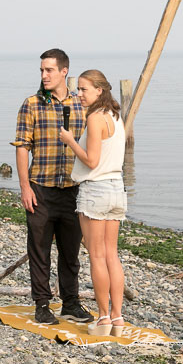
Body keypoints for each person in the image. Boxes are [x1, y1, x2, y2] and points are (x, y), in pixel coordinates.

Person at [12, 49, 93, 325]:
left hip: (73, 190)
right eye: (41, 71)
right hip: (41, 188)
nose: (44, 75)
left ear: (64, 72)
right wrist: (25, 187)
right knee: (39, 249)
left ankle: (71, 303)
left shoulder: (82, 104)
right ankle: (42, 304)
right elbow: (23, 147)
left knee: (71, 252)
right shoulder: (32, 104)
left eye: (49, 70)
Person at [58, 69, 128, 336]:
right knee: (112, 254)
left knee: (97, 255)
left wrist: (70, 141)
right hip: (116, 188)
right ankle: (117, 317)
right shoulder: (115, 116)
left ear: (99, 90)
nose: (79, 94)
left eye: (84, 89)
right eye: (78, 89)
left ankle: (102, 318)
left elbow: (91, 160)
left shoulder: (95, 118)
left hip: (96, 189)